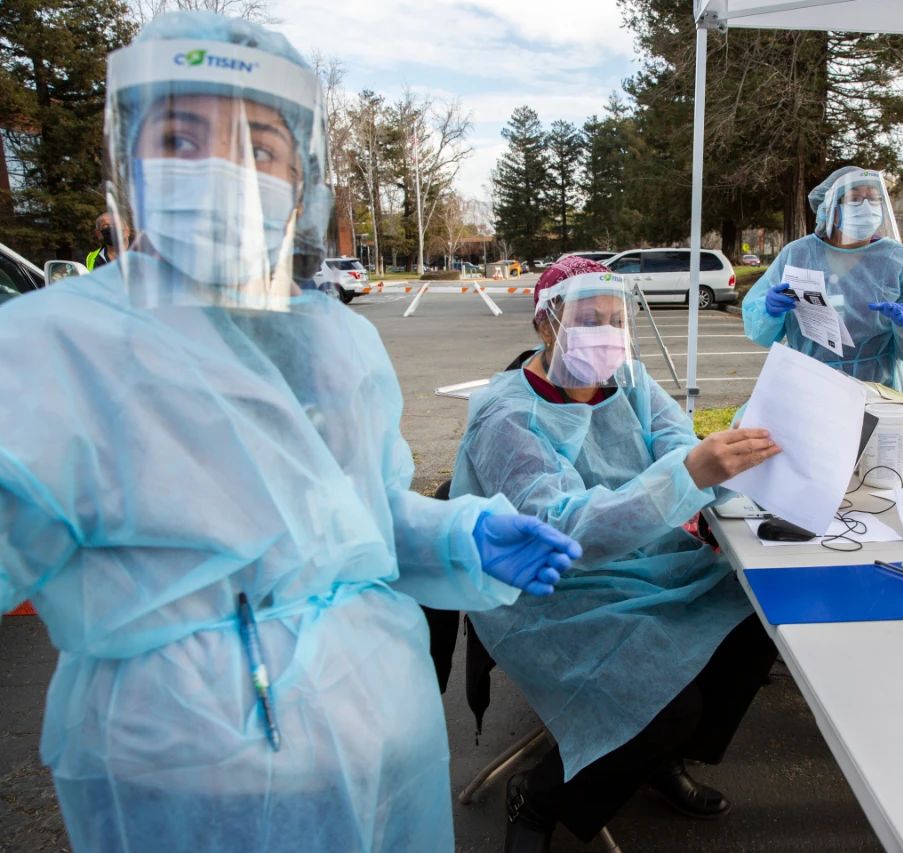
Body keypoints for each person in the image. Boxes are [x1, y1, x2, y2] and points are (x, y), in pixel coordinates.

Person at [0, 12, 581, 852]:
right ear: (128, 160)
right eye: (180, 135)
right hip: (187, 775)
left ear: (298, 177)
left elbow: (357, 518)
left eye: (259, 146)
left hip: (385, 738)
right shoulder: (49, 348)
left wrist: (461, 536)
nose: (225, 170)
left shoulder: (337, 339)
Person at [451, 259, 782, 852]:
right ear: (547, 326)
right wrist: (685, 475)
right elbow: (563, 529)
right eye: (588, 319)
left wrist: (712, 464)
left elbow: (677, 439)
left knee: (757, 616)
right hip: (545, 588)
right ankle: (540, 796)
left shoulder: (627, 379)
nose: (606, 333)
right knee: (664, 697)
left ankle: (654, 756)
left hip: (645, 557)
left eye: (614, 319)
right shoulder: (508, 417)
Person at [741, 166, 903, 392]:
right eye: (855, 199)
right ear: (830, 208)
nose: (866, 207)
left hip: (878, 389)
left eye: (873, 199)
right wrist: (770, 311)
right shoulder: (798, 254)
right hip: (808, 386)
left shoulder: (900, 260)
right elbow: (761, 332)